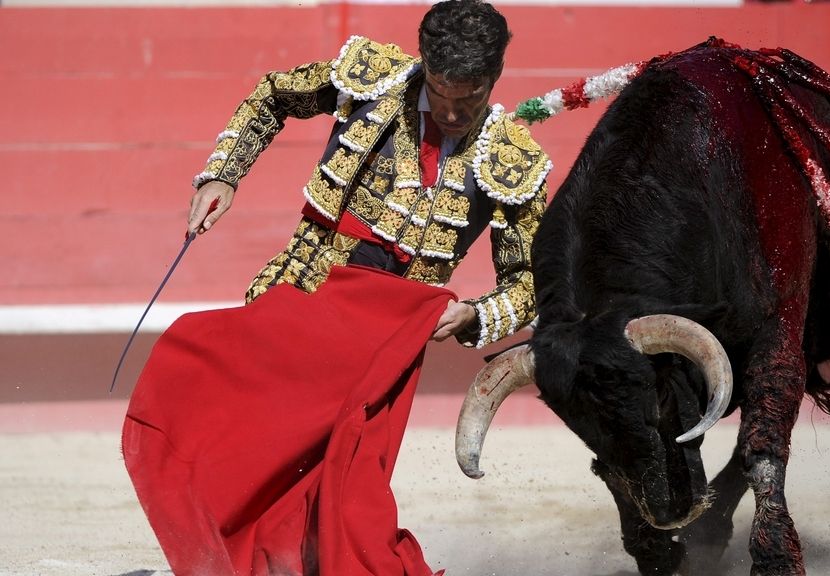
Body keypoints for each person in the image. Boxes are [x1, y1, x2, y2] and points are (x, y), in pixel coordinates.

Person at [121, 1, 550, 574]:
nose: (450, 111)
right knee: (237, 431)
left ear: (493, 81)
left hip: (384, 345)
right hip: (304, 293)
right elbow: (274, 95)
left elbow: (528, 283)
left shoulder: (513, 160)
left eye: (467, 99)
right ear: (424, 64)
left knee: (342, 490)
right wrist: (225, 172)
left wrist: (474, 314)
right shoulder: (373, 78)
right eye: (441, 92)